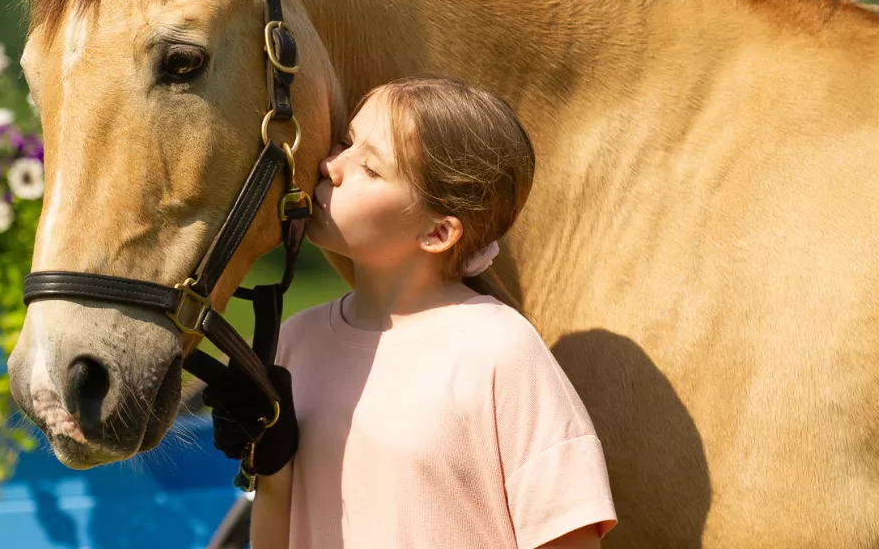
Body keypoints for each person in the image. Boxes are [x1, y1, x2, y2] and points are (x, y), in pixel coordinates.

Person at [246, 75, 617, 548]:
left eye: (372, 169)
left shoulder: (500, 351)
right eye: (347, 141)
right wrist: (269, 466)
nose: (331, 165)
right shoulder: (295, 340)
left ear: (439, 233)